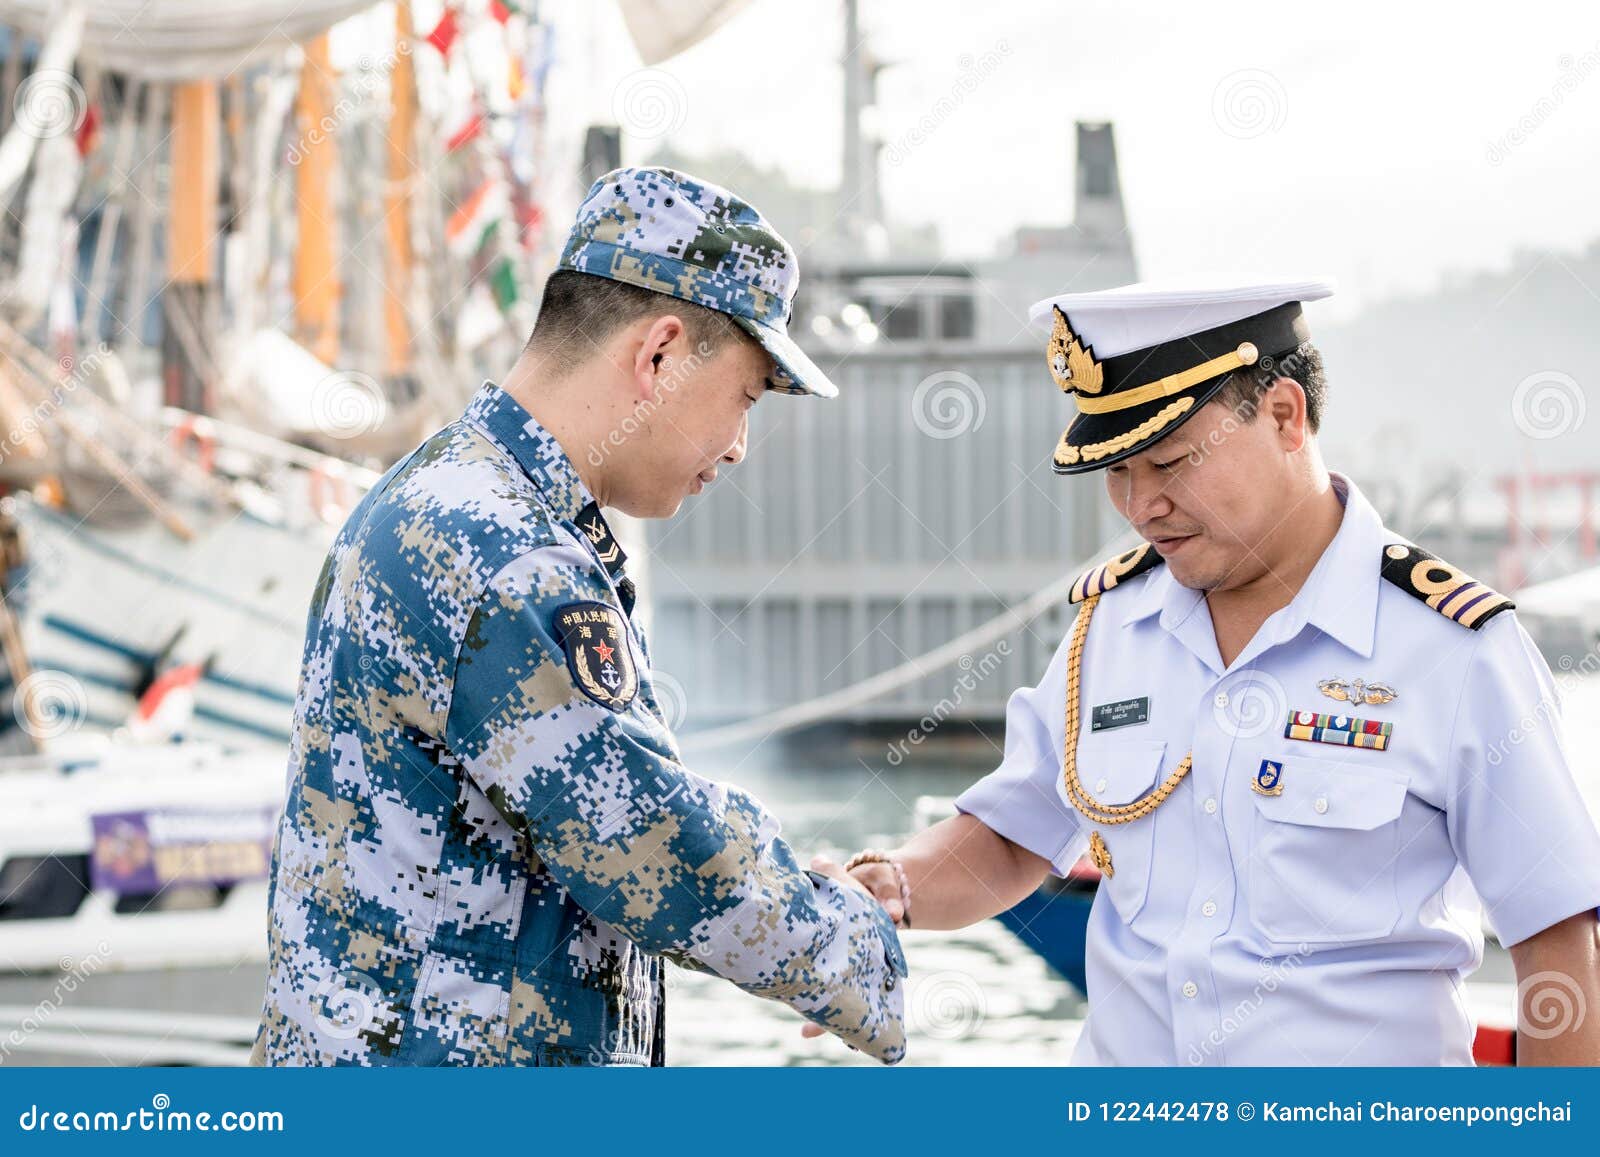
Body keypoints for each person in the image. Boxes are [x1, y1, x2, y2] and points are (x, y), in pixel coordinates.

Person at [823, 276, 1600, 1065]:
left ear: (1285, 416)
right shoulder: (1111, 629)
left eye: (1168, 461)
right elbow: (1012, 834)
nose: (1140, 505)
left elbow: (1559, 942)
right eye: (1117, 471)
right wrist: (891, 885)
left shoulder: (1452, 650)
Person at [251, 167, 906, 1067]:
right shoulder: (506, 551)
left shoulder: (453, 494)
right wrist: (856, 942)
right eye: (747, 396)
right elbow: (656, 846)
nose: (739, 445)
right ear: (662, 354)